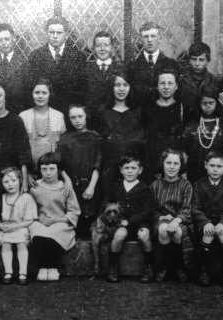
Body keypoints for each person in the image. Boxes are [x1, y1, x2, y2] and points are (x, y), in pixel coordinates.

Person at [192, 151, 223, 287]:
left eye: (219, 166)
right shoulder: (198, 185)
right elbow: (195, 208)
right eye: (212, 165)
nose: (215, 169)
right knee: (207, 234)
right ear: (205, 166)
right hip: (206, 222)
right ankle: (204, 270)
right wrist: (205, 222)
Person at [29, 152, 81, 281]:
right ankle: (42, 267)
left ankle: (52, 267)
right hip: (40, 221)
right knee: (37, 231)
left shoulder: (65, 187)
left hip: (61, 221)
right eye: (44, 169)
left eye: (52, 169)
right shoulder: (35, 187)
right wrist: (38, 219)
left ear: (59, 170)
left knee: (55, 232)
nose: (48, 173)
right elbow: (29, 209)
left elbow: (74, 211)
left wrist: (58, 219)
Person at [103, 155, 155, 283]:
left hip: (139, 223)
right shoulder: (116, 186)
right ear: (121, 170)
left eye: (133, 168)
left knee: (144, 235)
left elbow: (148, 211)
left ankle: (148, 267)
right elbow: (107, 204)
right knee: (119, 235)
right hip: (121, 223)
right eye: (126, 168)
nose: (130, 171)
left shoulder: (144, 188)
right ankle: (113, 267)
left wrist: (131, 221)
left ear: (140, 170)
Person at [57, 105, 102, 238]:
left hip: (91, 185)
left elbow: (98, 164)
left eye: (80, 116)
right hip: (71, 185)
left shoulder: (95, 137)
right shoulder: (65, 138)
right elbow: (60, 163)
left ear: (86, 116)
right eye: (73, 117)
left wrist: (91, 187)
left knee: (91, 221)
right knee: (74, 220)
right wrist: (68, 181)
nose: (77, 120)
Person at [150, 149, 193, 282]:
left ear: (181, 166)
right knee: (163, 230)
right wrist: (162, 217)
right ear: (163, 164)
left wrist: (176, 220)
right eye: (168, 163)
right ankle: (164, 268)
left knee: (177, 232)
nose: (172, 167)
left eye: (176, 163)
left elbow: (187, 208)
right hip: (161, 220)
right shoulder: (155, 185)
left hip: (181, 220)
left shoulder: (186, 185)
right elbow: (151, 209)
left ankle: (178, 267)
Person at [28, 16, 86, 114]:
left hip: (70, 112)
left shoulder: (78, 57)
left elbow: (82, 89)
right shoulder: (35, 56)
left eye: (59, 33)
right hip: (45, 112)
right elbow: (30, 87)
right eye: (51, 32)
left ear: (66, 35)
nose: (55, 36)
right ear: (47, 33)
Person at [100, 72, 145, 188]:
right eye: (117, 85)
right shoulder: (103, 112)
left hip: (132, 169)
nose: (121, 89)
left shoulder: (138, 112)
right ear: (111, 87)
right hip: (110, 168)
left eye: (125, 85)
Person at [143, 69, 190, 178]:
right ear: (157, 86)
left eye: (170, 83)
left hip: (175, 163)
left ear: (176, 86)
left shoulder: (182, 108)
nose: (166, 87)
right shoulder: (149, 109)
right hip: (154, 162)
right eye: (162, 83)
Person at [0, 167, 38, 285]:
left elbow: (30, 219)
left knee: (21, 243)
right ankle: (8, 272)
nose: (10, 184)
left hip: (20, 227)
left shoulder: (26, 198)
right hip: (5, 228)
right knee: (5, 243)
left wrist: (15, 227)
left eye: (13, 180)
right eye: (6, 182)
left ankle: (22, 273)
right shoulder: (1, 198)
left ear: (20, 180)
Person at [181, 85, 223, 182]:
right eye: (204, 103)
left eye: (211, 103)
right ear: (199, 104)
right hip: (195, 171)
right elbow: (185, 150)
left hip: (217, 171)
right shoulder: (192, 125)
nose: (208, 106)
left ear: (216, 103)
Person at [127, 22, 183, 106]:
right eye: (146, 36)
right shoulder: (132, 66)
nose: (149, 40)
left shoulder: (171, 64)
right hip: (141, 115)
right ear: (141, 39)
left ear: (159, 38)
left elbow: (177, 93)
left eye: (153, 36)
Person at [19, 78, 66, 168]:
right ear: (32, 94)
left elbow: (62, 148)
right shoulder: (23, 116)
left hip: (52, 169)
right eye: (37, 93)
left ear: (49, 95)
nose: (40, 96)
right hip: (30, 168)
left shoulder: (58, 116)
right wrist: (27, 174)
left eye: (44, 93)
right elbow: (20, 149)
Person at [0, 23, 28, 114]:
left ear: (13, 38)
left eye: (7, 39)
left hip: (18, 112)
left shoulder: (24, 62)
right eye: (0, 40)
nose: (4, 43)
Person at [84, 31, 124, 121]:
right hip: (92, 118)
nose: (102, 49)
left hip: (115, 118)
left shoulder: (120, 68)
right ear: (94, 48)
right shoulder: (86, 69)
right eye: (98, 46)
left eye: (106, 45)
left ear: (112, 47)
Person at [178, 42, 220, 110]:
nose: (197, 64)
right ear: (189, 60)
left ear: (208, 61)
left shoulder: (214, 81)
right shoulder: (181, 80)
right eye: (194, 59)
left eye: (201, 60)